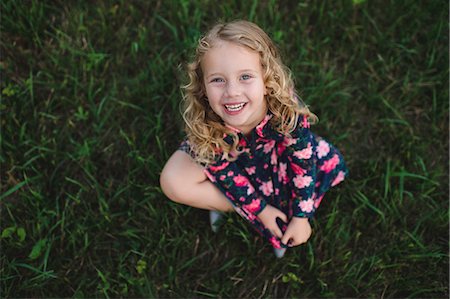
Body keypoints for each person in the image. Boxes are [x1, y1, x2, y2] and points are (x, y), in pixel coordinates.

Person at [160, 20, 348, 258]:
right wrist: (260, 211)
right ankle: (239, 209)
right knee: (173, 180)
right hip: (231, 163)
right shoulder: (205, 118)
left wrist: (302, 216)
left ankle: (273, 218)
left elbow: (303, 166)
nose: (232, 92)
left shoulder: (285, 115)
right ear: (202, 87)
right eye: (217, 79)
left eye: (245, 77)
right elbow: (222, 170)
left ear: (267, 80)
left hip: (276, 164)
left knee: (288, 204)